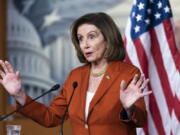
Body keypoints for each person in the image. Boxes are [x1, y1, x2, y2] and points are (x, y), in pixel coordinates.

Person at [0, 12, 152, 135]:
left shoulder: (128, 73)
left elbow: (141, 120)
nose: (85, 44)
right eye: (80, 39)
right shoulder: (76, 76)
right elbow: (51, 117)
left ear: (108, 38)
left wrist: (128, 108)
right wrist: (19, 94)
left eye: (91, 37)